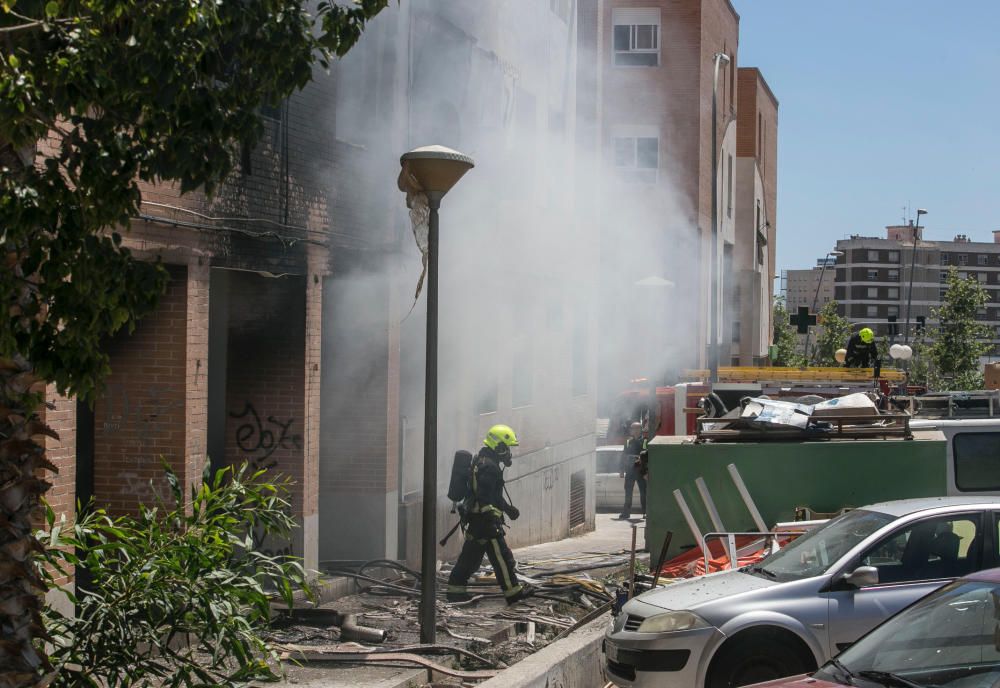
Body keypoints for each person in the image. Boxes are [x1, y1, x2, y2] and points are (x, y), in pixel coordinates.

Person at [446, 424, 529, 605]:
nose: (508, 453)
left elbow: (493, 496)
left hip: (477, 522)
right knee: (502, 559)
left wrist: (508, 509)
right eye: (506, 448)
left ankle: (455, 591)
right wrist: (492, 521)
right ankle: (514, 594)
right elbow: (485, 498)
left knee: (470, 559)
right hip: (486, 523)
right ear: (498, 447)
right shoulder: (489, 467)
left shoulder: (481, 460)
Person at [618, 422, 647, 519]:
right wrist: (621, 469)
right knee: (628, 493)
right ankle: (626, 513)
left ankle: (645, 512)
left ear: (640, 429)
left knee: (644, 493)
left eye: (636, 428)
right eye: (632, 428)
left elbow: (646, 457)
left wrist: (646, 472)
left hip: (641, 471)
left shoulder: (645, 441)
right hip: (630, 471)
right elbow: (623, 456)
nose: (634, 430)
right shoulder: (628, 442)